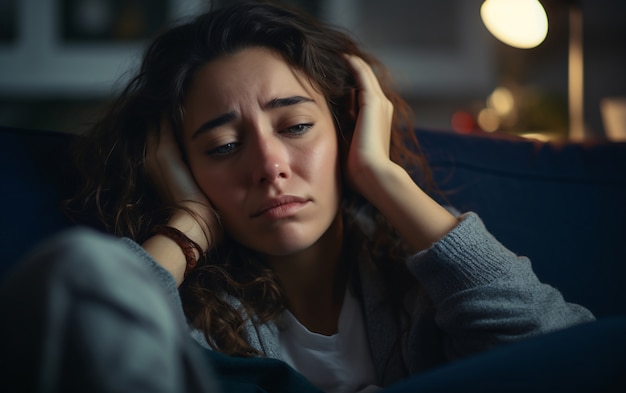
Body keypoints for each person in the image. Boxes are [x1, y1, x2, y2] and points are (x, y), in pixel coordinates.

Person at [0, 1, 602, 392]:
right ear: (182, 169)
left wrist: (383, 174)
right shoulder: (183, 317)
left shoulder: (419, 293)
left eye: (294, 128)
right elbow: (78, 324)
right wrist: (187, 225)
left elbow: (577, 360)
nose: (269, 166)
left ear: (347, 125)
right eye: (223, 147)